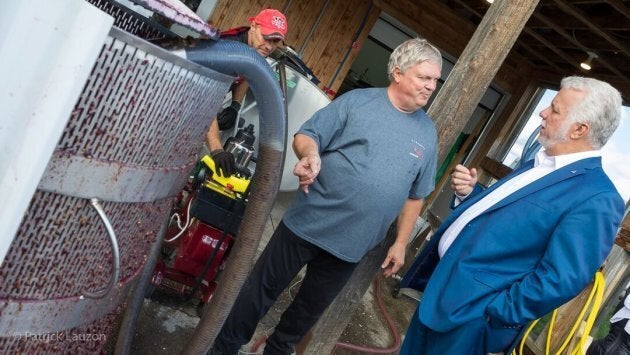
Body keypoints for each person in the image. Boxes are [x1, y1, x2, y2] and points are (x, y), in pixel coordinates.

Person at [210, 38, 442, 355]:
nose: (431, 86)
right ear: (398, 73)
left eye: (435, 80)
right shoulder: (357, 102)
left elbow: (416, 195)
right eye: (424, 77)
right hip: (308, 222)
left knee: (305, 313)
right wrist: (310, 155)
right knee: (259, 291)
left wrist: (401, 243)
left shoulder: (427, 133)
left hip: (352, 245)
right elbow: (307, 135)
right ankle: (223, 348)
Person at [400, 76, 625, 355]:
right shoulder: (539, 163)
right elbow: (511, 221)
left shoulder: (598, 197)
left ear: (579, 129)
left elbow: (560, 279)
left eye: (554, 109)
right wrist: (469, 196)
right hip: (442, 295)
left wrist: (494, 313)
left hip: (472, 322)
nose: (543, 112)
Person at [208, 8, 287, 177]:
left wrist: (235, 106)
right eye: (266, 38)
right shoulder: (226, 51)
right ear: (253, 26)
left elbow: (246, 74)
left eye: (275, 42)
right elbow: (203, 102)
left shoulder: (253, 50)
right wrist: (216, 149)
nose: (269, 46)